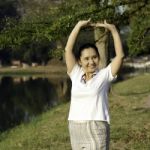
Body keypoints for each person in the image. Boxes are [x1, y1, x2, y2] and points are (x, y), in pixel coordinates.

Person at [65, 19, 124, 150]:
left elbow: (120, 56)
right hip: (75, 127)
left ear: (98, 57)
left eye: (94, 57)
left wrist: (113, 30)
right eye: (86, 59)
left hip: (97, 126)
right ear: (79, 61)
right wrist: (78, 26)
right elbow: (68, 49)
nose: (91, 62)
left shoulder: (104, 75)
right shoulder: (75, 74)